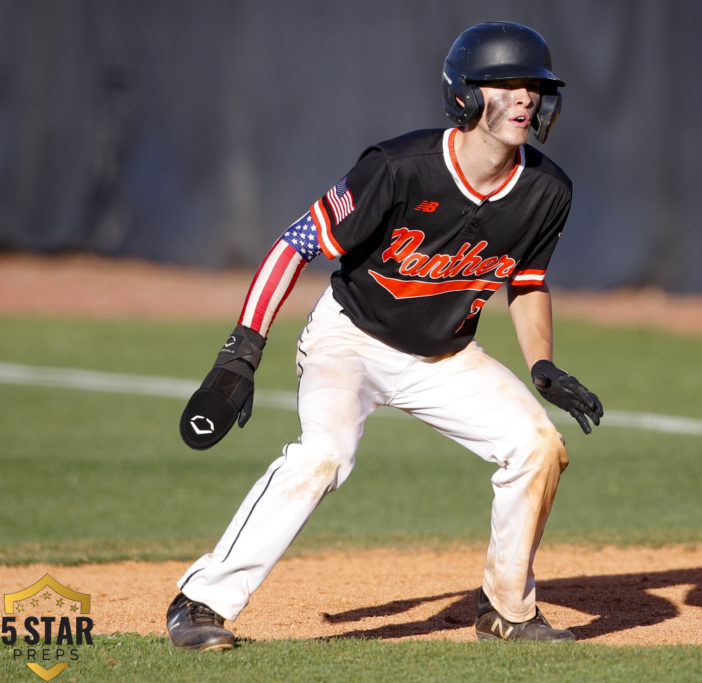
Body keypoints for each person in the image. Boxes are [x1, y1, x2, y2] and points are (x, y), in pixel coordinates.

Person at [166, 21, 603, 650]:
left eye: (533, 84)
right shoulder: (400, 168)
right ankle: (200, 602)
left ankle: (507, 610)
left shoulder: (545, 190)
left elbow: (527, 281)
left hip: (446, 356)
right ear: (464, 96)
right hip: (352, 339)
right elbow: (294, 247)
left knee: (537, 445)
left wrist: (543, 366)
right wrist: (243, 350)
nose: (525, 96)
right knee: (323, 454)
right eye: (504, 83)